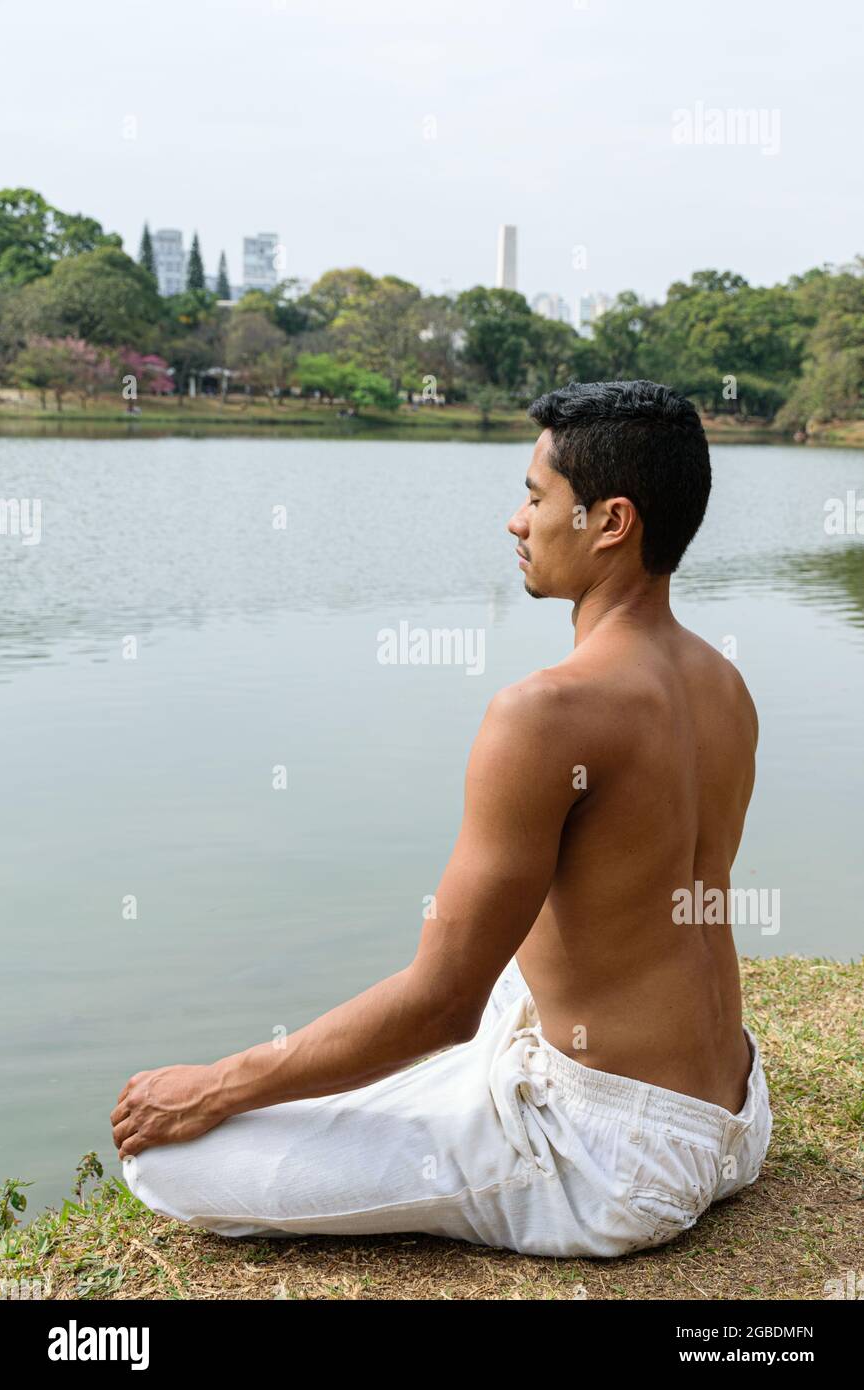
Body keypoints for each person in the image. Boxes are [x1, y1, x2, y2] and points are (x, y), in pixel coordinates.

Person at [112, 379, 772, 1257]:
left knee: (167, 1168)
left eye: (537, 499)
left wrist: (217, 1087)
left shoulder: (542, 715)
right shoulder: (724, 685)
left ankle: (455, 1117)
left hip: (619, 1160)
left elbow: (443, 1009)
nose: (516, 521)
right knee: (507, 962)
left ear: (610, 523)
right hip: (732, 1113)